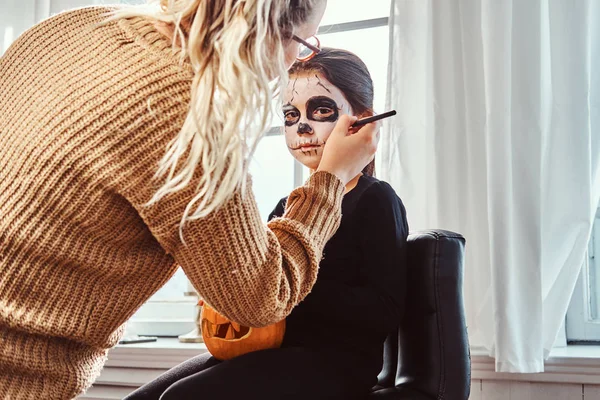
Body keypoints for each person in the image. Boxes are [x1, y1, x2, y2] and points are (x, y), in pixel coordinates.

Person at [0, 1, 381, 398]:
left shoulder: (68, 27)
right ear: (268, 28)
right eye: (300, 44)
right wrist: (331, 177)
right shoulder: (190, 118)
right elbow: (260, 299)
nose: (289, 64)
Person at [125, 47, 409, 400]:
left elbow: (385, 310)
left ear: (362, 120)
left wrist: (291, 281)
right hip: (269, 350)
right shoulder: (286, 206)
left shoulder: (376, 199)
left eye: (320, 110)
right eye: (291, 114)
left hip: (338, 365)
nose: (302, 126)